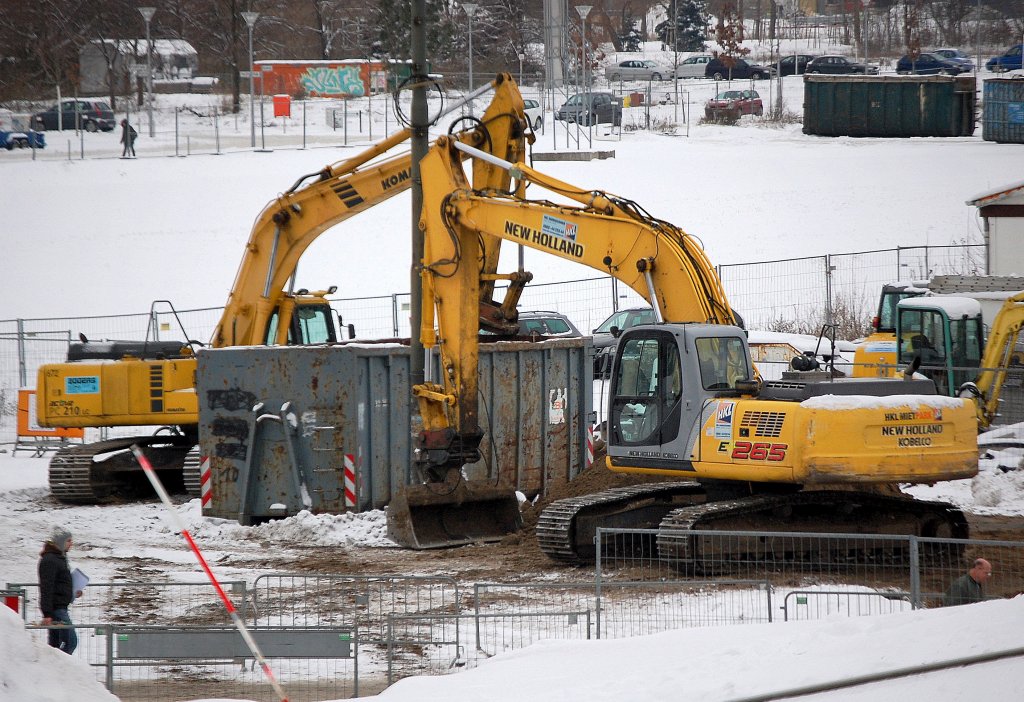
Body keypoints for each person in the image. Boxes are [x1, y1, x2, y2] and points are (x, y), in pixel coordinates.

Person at [38, 526, 79, 654]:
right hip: (57, 610)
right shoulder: (50, 560)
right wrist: (47, 614)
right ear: (60, 542)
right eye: (68, 540)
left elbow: (59, 584)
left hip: (60, 608)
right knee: (71, 641)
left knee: (54, 645)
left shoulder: (59, 558)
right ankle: (61, 668)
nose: (71, 543)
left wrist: (74, 591)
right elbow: (46, 588)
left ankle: (53, 668)